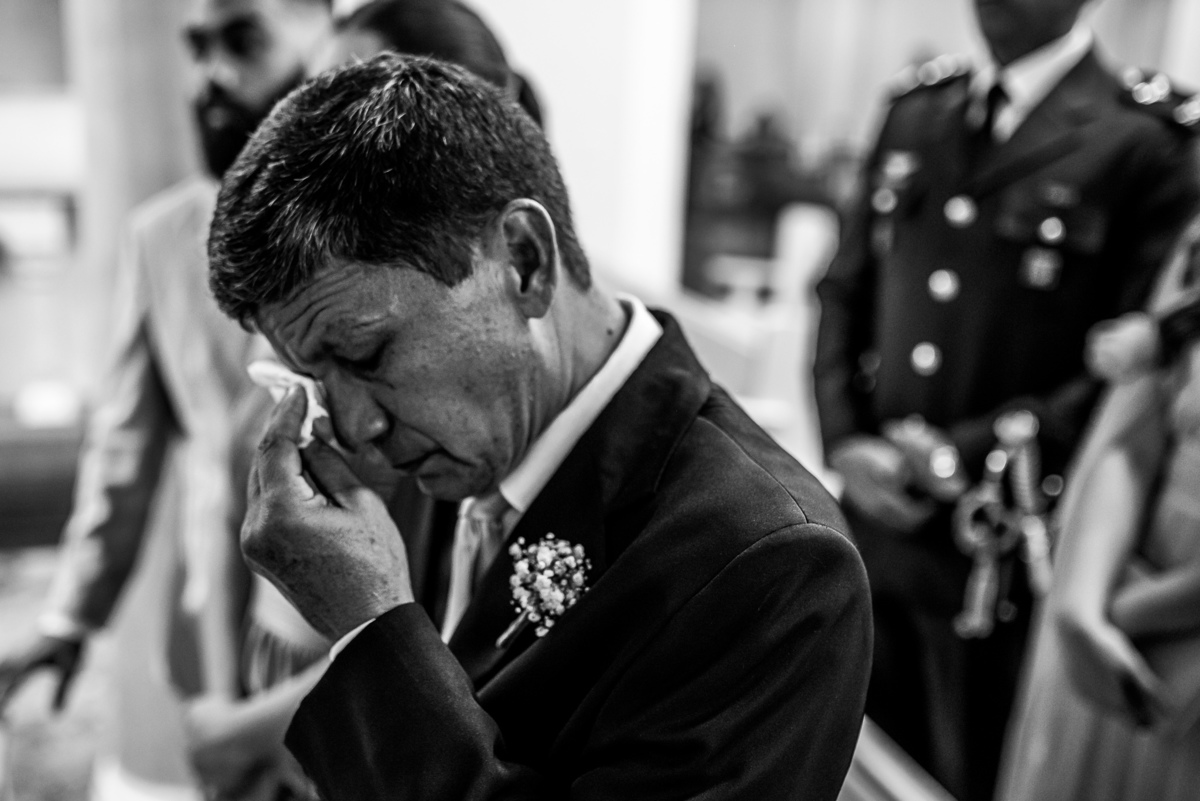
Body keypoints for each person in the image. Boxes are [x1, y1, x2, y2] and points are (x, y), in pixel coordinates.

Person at [206, 54, 872, 800]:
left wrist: (371, 634)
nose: (357, 428)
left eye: (367, 353)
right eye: (313, 378)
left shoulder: (771, 563)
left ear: (523, 260)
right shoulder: (452, 435)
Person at [812, 1, 1200, 798]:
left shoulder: (1148, 141)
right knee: (844, 765)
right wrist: (845, 437)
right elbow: (845, 290)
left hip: (1001, 548)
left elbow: (1129, 374)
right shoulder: (917, 111)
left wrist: (962, 454)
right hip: (869, 524)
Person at [183, 4, 552, 798]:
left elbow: (444, 629)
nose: (319, 137)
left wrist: (251, 730)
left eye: (360, 108)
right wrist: (226, 698)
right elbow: (227, 485)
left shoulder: (465, 386)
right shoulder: (311, 287)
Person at [0, 0, 332, 795]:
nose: (210, 74)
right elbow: (126, 447)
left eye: (243, 41)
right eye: (198, 47)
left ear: (322, 37)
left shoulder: (369, 232)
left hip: (344, 636)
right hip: (209, 630)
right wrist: (69, 619)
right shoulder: (159, 237)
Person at [997, 215, 1200, 801]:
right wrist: (1082, 604)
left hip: (1162, 612)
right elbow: (1135, 423)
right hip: (1118, 577)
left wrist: (1135, 612)